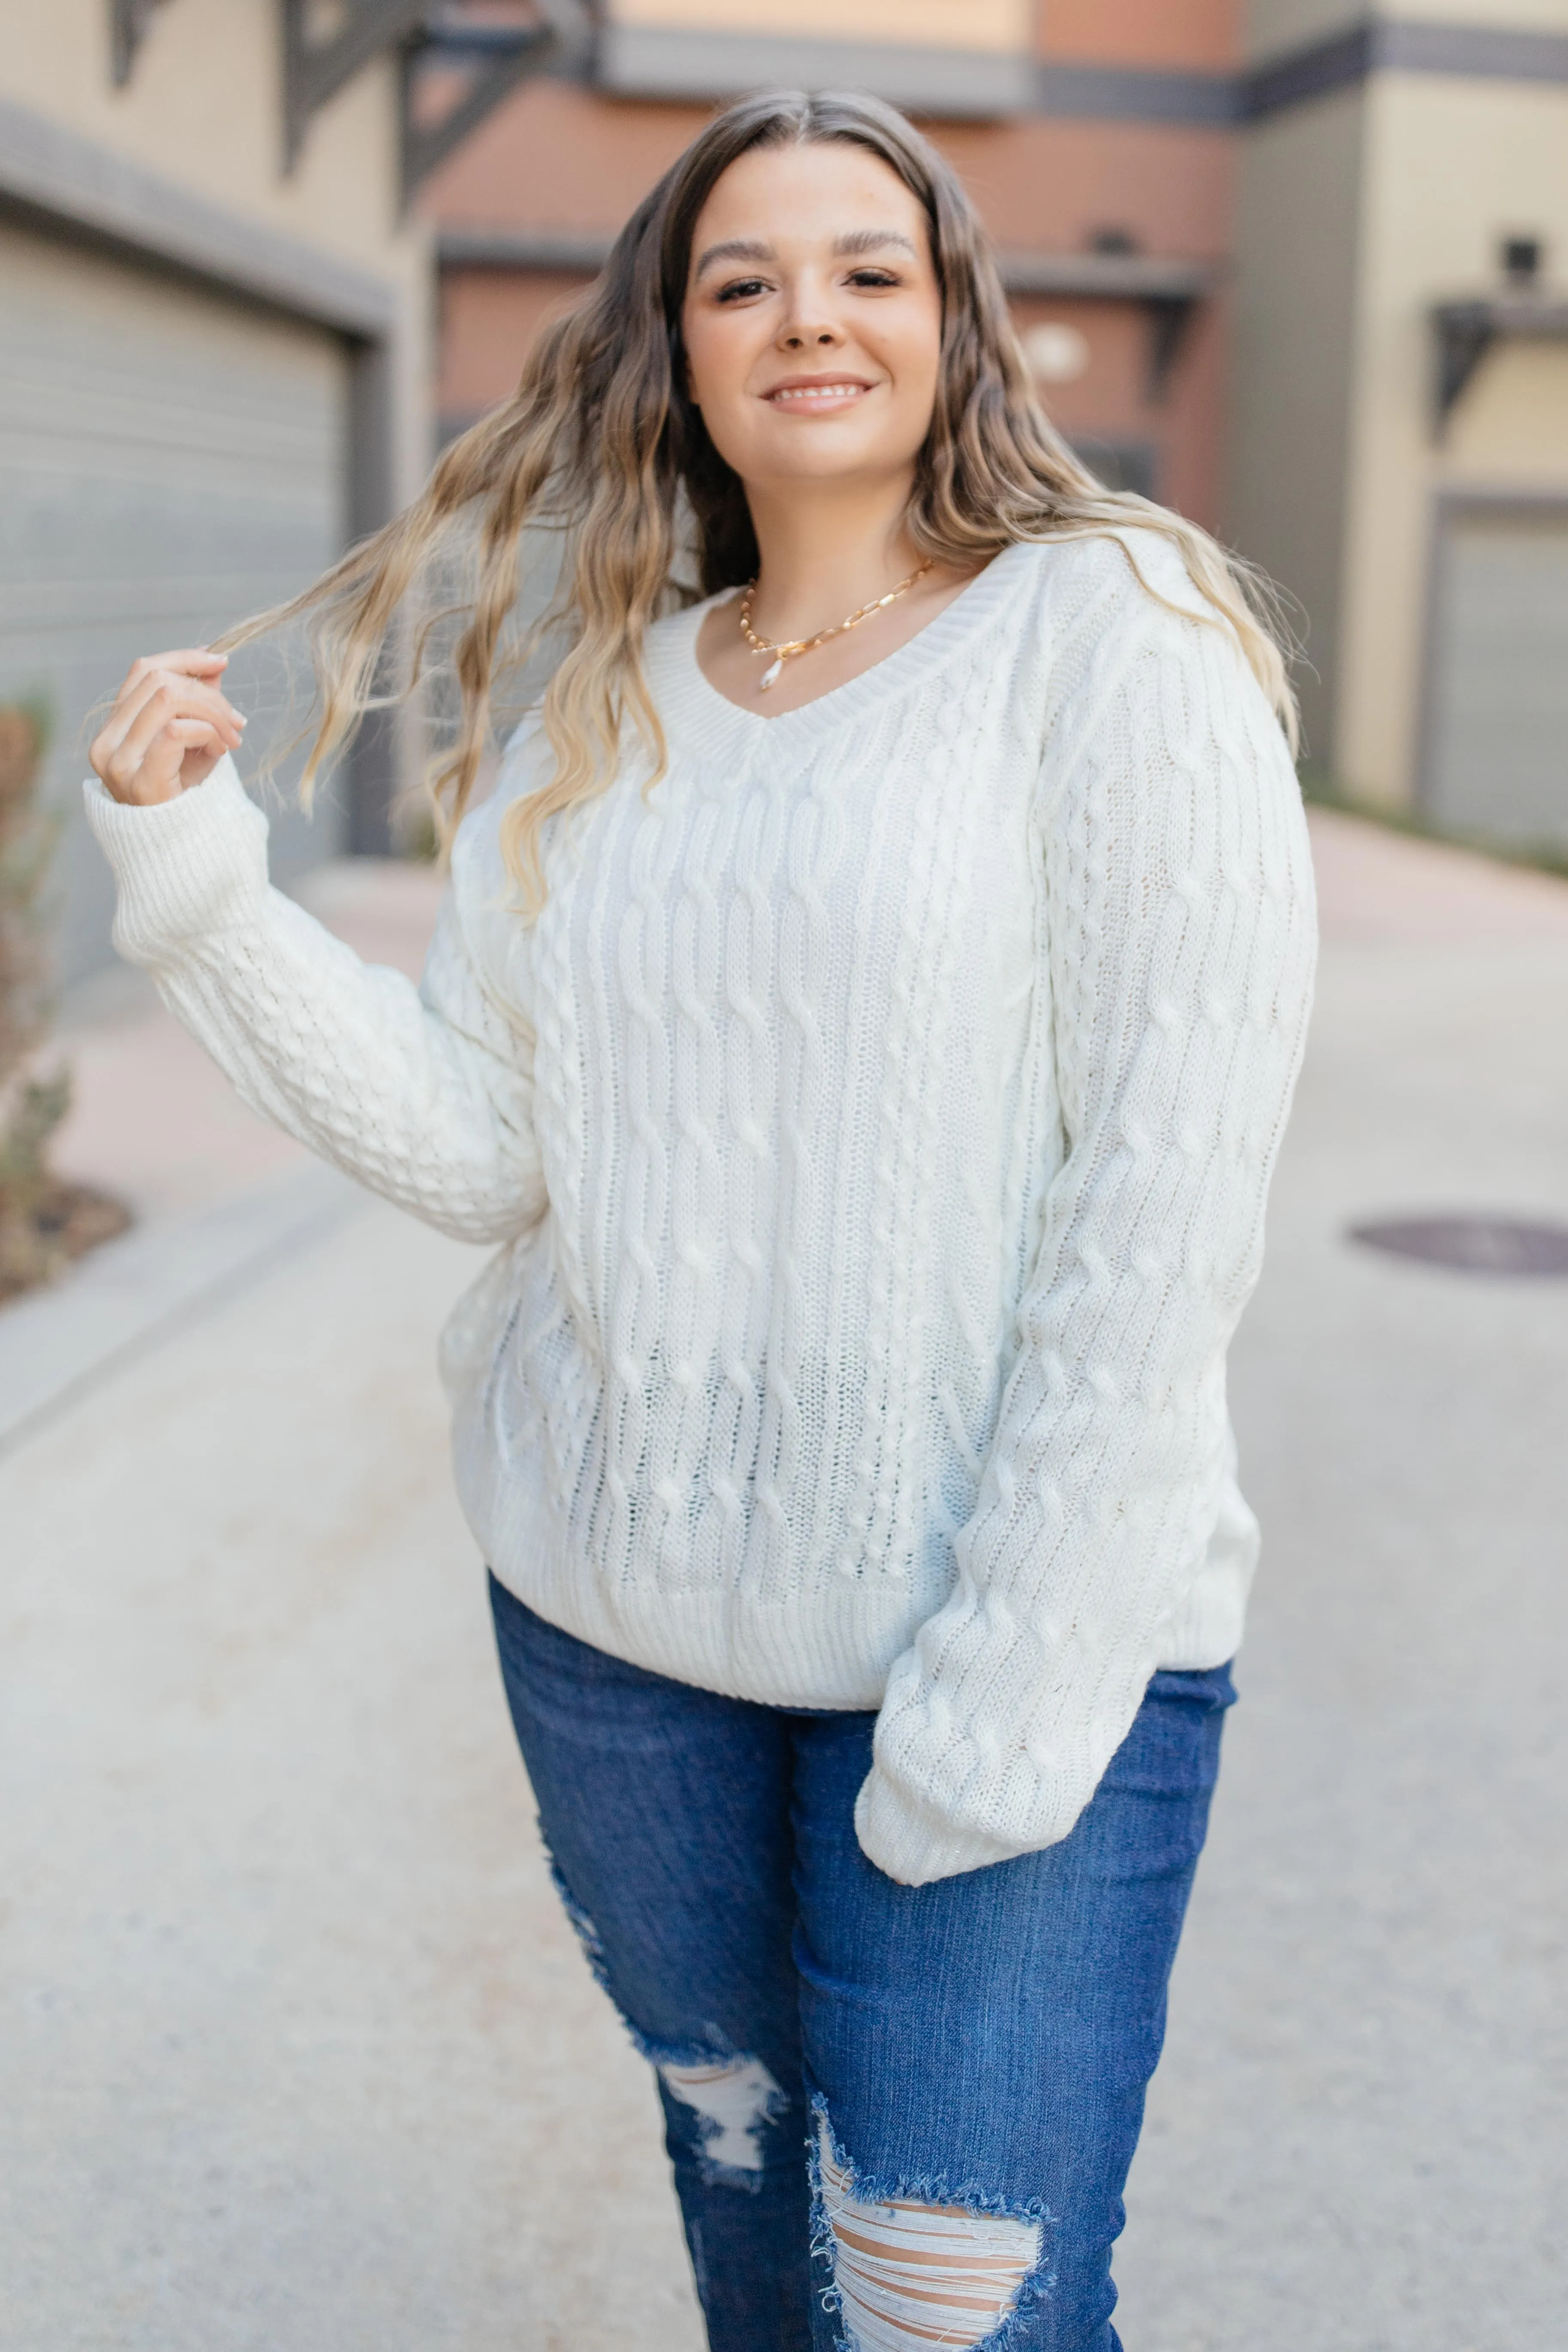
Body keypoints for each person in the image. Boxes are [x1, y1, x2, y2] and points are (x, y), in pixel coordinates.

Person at [85, 88, 1316, 2352]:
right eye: (742, 278)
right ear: (677, 349)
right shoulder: (601, 718)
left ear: (960, 320)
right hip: (623, 1656)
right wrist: (198, 889)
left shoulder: (1108, 641)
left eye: (869, 265)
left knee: (958, 2317)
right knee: (757, 2266)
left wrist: (1008, 1706)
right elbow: (480, 1145)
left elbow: (1167, 1187)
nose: (808, 315)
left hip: (1010, 1673)